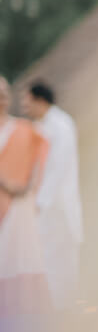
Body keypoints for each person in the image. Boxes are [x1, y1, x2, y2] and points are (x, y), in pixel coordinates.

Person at [20, 81, 83, 309]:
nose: (24, 107)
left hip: (59, 207)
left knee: (64, 265)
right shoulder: (39, 127)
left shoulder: (61, 125)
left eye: (26, 101)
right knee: (47, 263)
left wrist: (40, 202)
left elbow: (58, 167)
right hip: (46, 209)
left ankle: (66, 314)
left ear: (39, 100)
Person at [0, 76, 50, 315]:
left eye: (5, 94)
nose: (2, 99)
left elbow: (40, 161)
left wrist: (26, 187)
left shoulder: (25, 130)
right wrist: (5, 184)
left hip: (19, 206)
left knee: (19, 258)